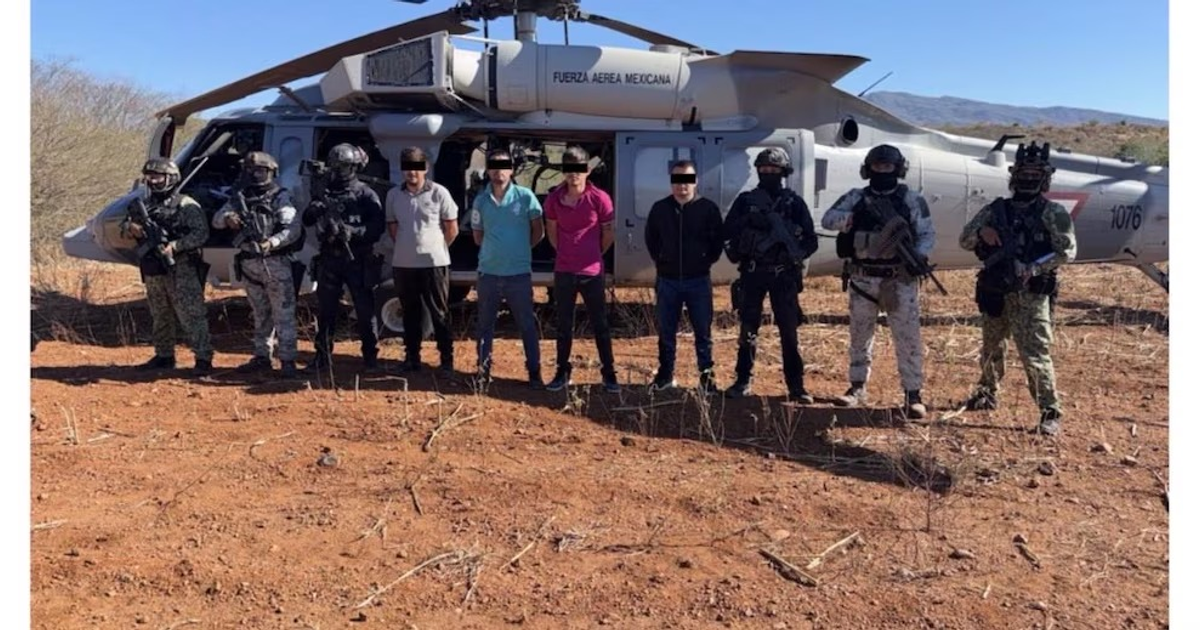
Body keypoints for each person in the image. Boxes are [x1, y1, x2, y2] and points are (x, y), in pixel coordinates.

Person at [959, 141, 1077, 436]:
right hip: (995, 289)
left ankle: (1050, 411)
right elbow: (965, 239)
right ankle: (987, 393)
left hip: (1030, 293)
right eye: (1023, 172)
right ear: (1014, 175)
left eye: (1035, 172)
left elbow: (1067, 251)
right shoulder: (996, 210)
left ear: (1045, 177)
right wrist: (982, 232)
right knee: (991, 348)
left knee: (1034, 354)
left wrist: (1034, 267)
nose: (1028, 178)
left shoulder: (1053, 213)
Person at [821, 144, 935, 420]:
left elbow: (926, 234)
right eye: (877, 166)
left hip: (898, 279)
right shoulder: (856, 197)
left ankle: (913, 394)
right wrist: (853, 218)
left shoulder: (911, 199)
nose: (882, 171)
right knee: (860, 335)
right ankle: (857, 386)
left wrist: (917, 257)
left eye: (888, 167)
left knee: (907, 338)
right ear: (868, 168)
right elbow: (827, 220)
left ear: (898, 169)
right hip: (863, 276)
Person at [721, 148, 818, 401]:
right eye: (764, 170)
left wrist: (793, 254)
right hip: (753, 274)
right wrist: (749, 222)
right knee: (748, 329)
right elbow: (727, 232)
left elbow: (810, 240)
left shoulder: (794, 203)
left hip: (783, 275)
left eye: (774, 170)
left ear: (783, 173)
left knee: (789, 332)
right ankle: (742, 380)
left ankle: (796, 387)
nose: (769, 173)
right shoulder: (745, 201)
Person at [212, 151, 303, 378]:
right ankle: (262, 356)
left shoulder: (280, 197)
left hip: (275, 264)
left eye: (261, 171)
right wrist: (228, 219)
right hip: (249, 264)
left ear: (271, 172)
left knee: (283, 315)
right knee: (260, 314)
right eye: (251, 170)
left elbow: (293, 229)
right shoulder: (239, 197)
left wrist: (271, 242)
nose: (256, 175)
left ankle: (288, 361)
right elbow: (216, 220)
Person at [121, 157, 214, 376]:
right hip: (153, 266)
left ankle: (203, 359)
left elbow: (201, 233)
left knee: (191, 314)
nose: (152, 181)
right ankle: (164, 355)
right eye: (149, 177)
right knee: (160, 312)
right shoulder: (142, 205)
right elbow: (124, 227)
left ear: (170, 178)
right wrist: (131, 228)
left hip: (181, 267)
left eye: (157, 176)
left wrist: (176, 246)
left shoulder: (185, 204)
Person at [302, 143, 386, 372]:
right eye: (336, 167)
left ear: (353, 167)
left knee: (365, 311)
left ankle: (370, 358)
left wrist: (353, 231)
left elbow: (377, 227)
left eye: (344, 167)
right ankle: (322, 358)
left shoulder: (365, 194)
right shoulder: (324, 191)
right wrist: (315, 209)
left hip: (357, 259)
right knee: (326, 310)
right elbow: (307, 220)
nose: (338, 171)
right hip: (330, 258)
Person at [643, 159, 725, 394]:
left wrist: (703, 260)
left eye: (687, 180)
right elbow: (652, 239)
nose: (682, 186)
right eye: (677, 180)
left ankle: (707, 379)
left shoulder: (708, 209)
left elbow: (716, 242)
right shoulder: (660, 209)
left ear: (695, 181)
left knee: (703, 333)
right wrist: (662, 260)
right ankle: (666, 375)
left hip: (698, 280)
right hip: (668, 281)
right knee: (666, 332)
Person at [469, 147, 546, 388]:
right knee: (485, 326)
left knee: (526, 325)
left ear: (511, 170)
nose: (498, 171)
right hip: (489, 274)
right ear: (488, 170)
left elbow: (538, 231)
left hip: (518, 275)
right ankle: (483, 371)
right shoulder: (480, 201)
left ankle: (534, 372)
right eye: (493, 166)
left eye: (503, 166)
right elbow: (477, 236)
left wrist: (521, 249)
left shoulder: (526, 197)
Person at [543, 146, 618, 393]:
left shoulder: (600, 198)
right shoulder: (554, 199)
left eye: (578, 169)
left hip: (592, 271)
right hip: (564, 270)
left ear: (586, 170)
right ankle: (562, 373)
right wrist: (566, 252)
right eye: (568, 169)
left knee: (600, 324)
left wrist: (593, 253)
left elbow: (608, 234)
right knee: (564, 325)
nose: (574, 175)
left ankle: (609, 374)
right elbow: (552, 233)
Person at [386, 147, 459, 376]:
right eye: (407, 168)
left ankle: (446, 360)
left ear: (425, 168)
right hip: (404, 264)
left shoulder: (439, 193)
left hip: (434, 264)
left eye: (417, 168)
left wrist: (435, 246)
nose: (412, 174)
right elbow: (393, 227)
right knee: (410, 313)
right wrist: (409, 246)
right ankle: (412, 358)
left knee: (439, 313)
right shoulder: (394, 195)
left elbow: (452, 228)